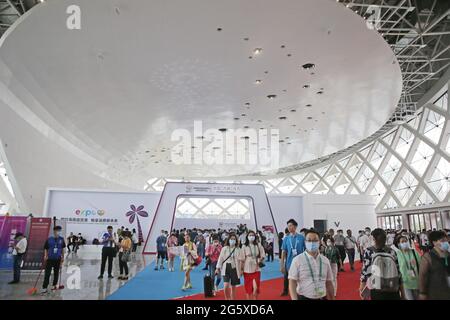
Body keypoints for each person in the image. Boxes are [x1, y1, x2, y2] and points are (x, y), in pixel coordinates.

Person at [288, 230, 334, 300]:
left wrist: (332, 298)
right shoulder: (297, 260)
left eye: (315, 240)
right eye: (309, 240)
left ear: (319, 242)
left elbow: (329, 282)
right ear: (305, 242)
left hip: (322, 297)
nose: (312, 243)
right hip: (304, 297)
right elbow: (292, 282)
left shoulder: (325, 260)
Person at [359, 228, 402, 300]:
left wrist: (362, 286)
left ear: (373, 239)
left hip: (377, 288)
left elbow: (366, 271)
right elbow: (398, 271)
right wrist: (402, 290)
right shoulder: (392, 251)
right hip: (392, 287)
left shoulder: (369, 251)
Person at [418, 230, 450, 300]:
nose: (446, 243)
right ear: (434, 242)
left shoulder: (448, 254)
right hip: (436, 292)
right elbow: (422, 276)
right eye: (442, 241)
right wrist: (422, 293)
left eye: (446, 240)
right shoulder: (428, 257)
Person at [280, 219, 305, 296]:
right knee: (287, 278)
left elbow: (306, 250)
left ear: (295, 226)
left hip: (300, 262)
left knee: (299, 278)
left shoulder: (301, 238)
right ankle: (286, 291)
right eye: (288, 226)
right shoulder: (286, 239)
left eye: (290, 225)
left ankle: (300, 292)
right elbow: (283, 252)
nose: (289, 227)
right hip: (289, 262)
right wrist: (282, 265)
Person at [239, 230, 265, 300]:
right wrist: (241, 269)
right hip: (247, 269)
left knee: (256, 288)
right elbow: (242, 259)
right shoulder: (244, 246)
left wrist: (260, 260)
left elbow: (263, 255)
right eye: (250, 235)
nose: (251, 237)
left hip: (256, 268)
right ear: (247, 237)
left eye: (253, 235)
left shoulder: (258, 245)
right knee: (248, 288)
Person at [394, 235, 421, 300]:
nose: (405, 243)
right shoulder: (397, 254)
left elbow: (421, 265)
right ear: (399, 244)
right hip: (405, 283)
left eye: (406, 241)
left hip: (417, 282)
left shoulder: (414, 252)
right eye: (402, 242)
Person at [216, 233, 241, 300]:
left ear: (236, 240)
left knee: (233, 288)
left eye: (234, 239)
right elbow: (220, 258)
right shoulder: (224, 248)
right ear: (228, 240)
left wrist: (241, 270)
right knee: (226, 286)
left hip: (234, 268)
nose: (232, 240)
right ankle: (227, 298)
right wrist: (217, 268)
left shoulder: (238, 249)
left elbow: (240, 260)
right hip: (225, 267)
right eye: (231, 239)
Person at [41, 226, 66, 294]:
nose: (59, 232)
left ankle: (54, 285)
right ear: (54, 231)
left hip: (58, 259)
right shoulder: (49, 239)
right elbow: (46, 248)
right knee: (47, 274)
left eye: (60, 230)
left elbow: (62, 249)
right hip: (50, 259)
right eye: (58, 230)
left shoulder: (62, 239)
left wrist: (63, 257)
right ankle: (44, 287)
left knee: (56, 273)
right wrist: (45, 255)